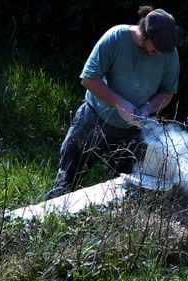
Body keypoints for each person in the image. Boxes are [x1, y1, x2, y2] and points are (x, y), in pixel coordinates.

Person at [45, 6, 180, 199]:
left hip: (132, 131)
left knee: (121, 193)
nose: (159, 52)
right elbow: (89, 79)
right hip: (94, 118)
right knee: (66, 181)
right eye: (156, 47)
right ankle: (51, 212)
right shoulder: (116, 38)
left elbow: (167, 92)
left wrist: (148, 109)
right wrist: (120, 103)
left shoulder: (168, 53)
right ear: (144, 33)